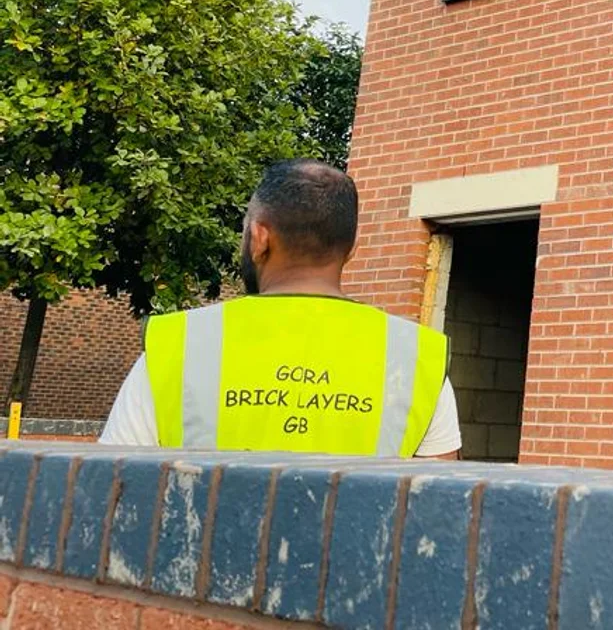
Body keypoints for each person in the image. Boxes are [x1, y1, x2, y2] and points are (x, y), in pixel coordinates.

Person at [100, 159, 461, 458]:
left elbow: (112, 491)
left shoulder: (175, 345)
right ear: (351, 249)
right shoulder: (419, 358)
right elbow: (441, 509)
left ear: (259, 238)